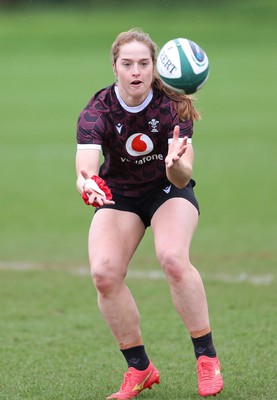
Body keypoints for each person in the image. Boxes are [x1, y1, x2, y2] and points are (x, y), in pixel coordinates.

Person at [75, 28, 224, 399]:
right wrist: (88, 184)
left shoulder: (173, 106)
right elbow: (86, 166)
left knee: (172, 258)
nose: (136, 71)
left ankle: (207, 360)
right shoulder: (97, 111)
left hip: (167, 189)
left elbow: (183, 172)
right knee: (104, 274)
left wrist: (175, 164)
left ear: (155, 67)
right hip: (121, 194)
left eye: (144, 63)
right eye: (128, 64)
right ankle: (140, 369)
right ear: (114, 67)